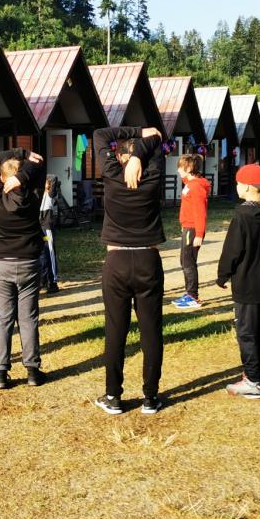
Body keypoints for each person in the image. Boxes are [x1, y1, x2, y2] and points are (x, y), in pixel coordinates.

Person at [93, 126, 165, 415]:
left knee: (115, 331)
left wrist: (135, 137)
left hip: (117, 261)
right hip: (148, 259)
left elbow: (100, 134)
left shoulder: (112, 174)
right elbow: (157, 139)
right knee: (151, 331)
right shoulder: (153, 175)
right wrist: (140, 155)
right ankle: (150, 397)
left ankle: (113, 396)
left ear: (119, 157)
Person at [217, 164, 260, 399]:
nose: (236, 187)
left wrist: (223, 274)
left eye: (238, 183)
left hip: (246, 282)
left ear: (246, 186)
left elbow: (232, 250)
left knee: (246, 332)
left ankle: (253, 380)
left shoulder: (242, 216)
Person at [0, 147, 46, 389]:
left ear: (1, 178)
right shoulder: (34, 194)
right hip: (28, 262)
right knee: (28, 318)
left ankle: (0, 373)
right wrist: (24, 172)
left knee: (2, 320)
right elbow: (39, 165)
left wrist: (21, 152)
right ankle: (32, 371)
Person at [172, 154, 210, 309]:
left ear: (188, 168)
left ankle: (192, 296)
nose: (178, 170)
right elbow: (186, 181)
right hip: (188, 227)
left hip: (193, 229)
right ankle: (189, 293)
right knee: (185, 260)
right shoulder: (190, 183)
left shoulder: (196, 187)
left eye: (180, 167)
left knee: (188, 262)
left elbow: (200, 212)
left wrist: (199, 234)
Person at [39, 175, 59, 295]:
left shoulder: (51, 195)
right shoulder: (38, 195)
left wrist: (47, 179)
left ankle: (53, 282)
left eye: (45, 182)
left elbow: (54, 178)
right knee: (42, 253)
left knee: (50, 252)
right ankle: (43, 279)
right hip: (39, 228)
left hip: (47, 229)